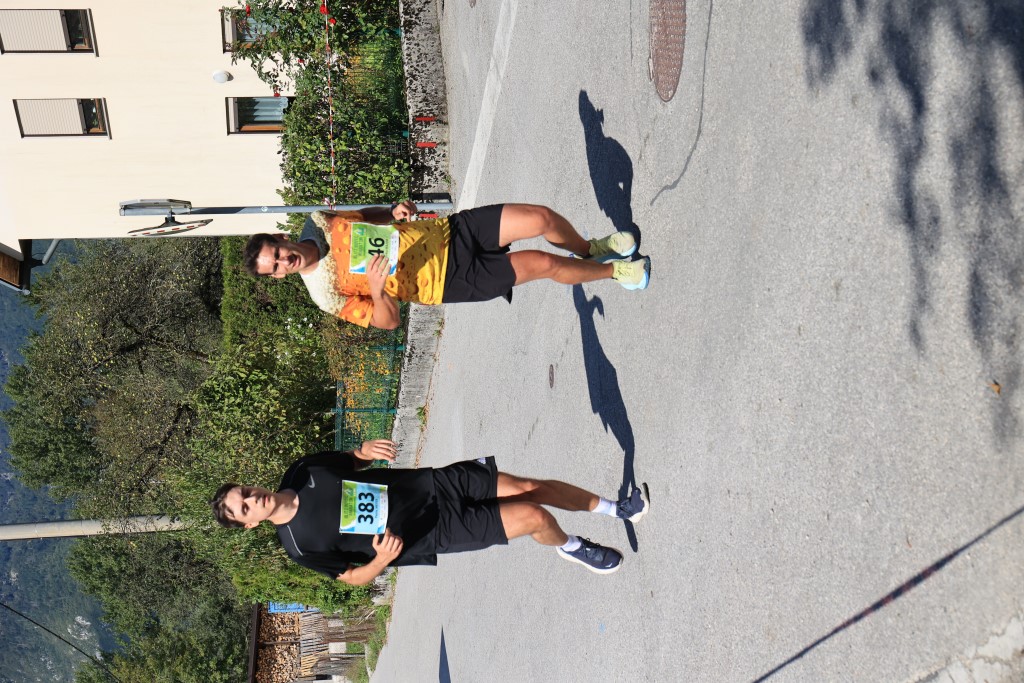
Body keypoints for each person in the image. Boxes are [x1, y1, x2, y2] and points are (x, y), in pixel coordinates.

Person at [211, 440, 650, 584]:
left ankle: (618, 509)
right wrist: (381, 560)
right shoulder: (299, 546)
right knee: (535, 517)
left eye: (245, 492)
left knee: (528, 487)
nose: (252, 499)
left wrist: (364, 451)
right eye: (244, 508)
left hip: (432, 484)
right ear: (249, 524)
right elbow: (351, 577)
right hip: (432, 531)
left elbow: (349, 461)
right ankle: (572, 547)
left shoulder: (301, 470)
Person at [242, 202, 651, 329]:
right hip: (448, 281)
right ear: (277, 277)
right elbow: (388, 322)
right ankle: (615, 272)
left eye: (277, 253)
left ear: (280, 238)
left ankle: (589, 249)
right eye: (275, 268)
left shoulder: (318, 221)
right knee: (543, 262)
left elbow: (365, 216)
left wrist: (392, 212)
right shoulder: (325, 295)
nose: (283, 262)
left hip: (447, 233)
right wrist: (378, 291)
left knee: (541, 218)